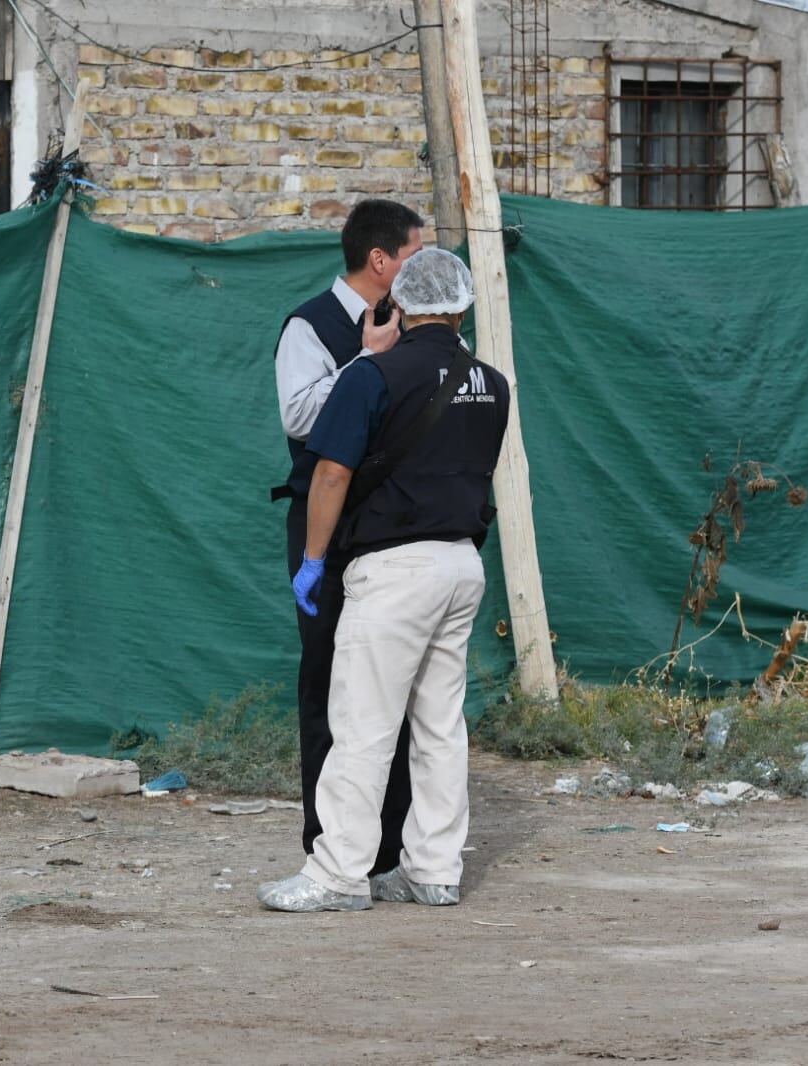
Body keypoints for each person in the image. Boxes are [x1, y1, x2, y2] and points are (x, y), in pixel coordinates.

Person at [258, 248, 509, 913]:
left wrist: (314, 559)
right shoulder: (491, 381)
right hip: (461, 562)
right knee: (438, 727)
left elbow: (332, 473)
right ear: (460, 304)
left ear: (400, 299)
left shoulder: (372, 375)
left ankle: (338, 874)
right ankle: (432, 870)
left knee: (361, 725)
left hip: (393, 568)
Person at [273, 199, 424, 881]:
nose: (428, 269)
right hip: (324, 532)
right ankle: (330, 847)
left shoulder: (416, 326)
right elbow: (302, 417)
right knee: (329, 686)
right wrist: (364, 362)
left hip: (391, 529)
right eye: (417, 254)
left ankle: (392, 849)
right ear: (380, 260)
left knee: (393, 688)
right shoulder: (311, 325)